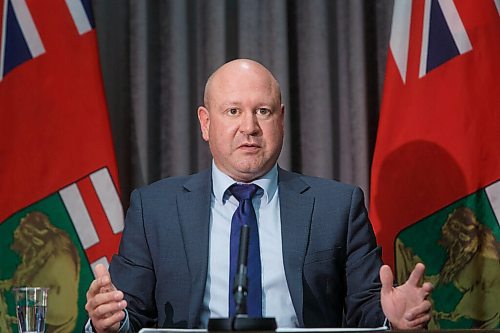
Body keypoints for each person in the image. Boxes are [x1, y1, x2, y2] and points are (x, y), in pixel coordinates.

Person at [84, 59, 433, 332]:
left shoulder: (337, 207)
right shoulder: (154, 209)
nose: (249, 126)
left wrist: (392, 319)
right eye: (233, 111)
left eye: (262, 111)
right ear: (205, 123)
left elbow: (368, 309)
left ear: (280, 119)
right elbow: (127, 316)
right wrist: (108, 321)